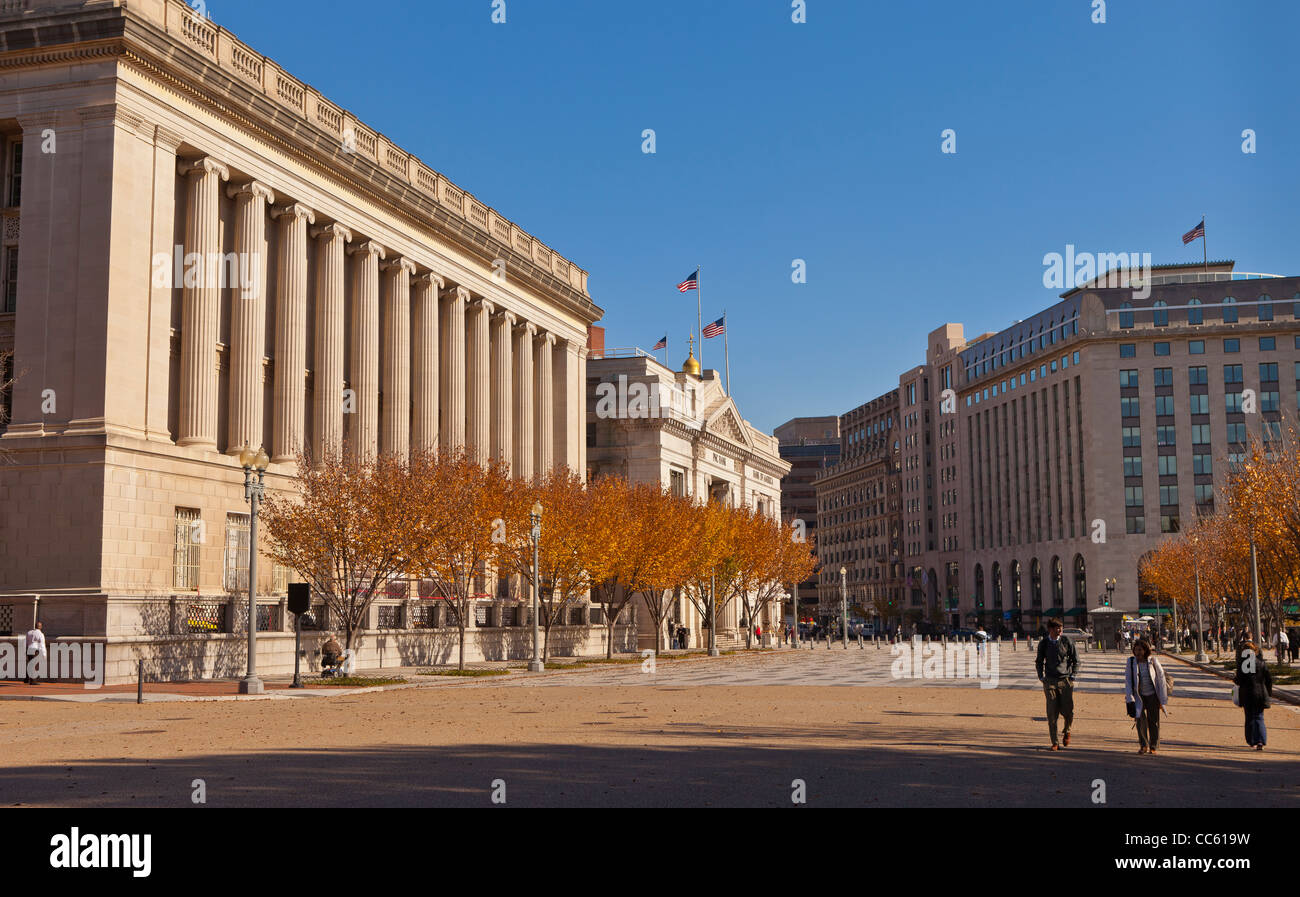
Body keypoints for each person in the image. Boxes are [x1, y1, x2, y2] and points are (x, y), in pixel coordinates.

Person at [1035, 618, 1079, 750]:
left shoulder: (1067, 641)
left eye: (1061, 627)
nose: (1059, 630)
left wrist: (1072, 675)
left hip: (1065, 680)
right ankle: (1054, 742)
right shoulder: (1044, 643)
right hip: (1050, 681)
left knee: (1068, 711)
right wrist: (1041, 676)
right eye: (1056, 628)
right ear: (1050, 629)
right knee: (1052, 713)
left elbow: (1076, 660)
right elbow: (1039, 661)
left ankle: (1067, 730)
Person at [1124, 638, 1168, 754]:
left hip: (1152, 695)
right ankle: (1143, 745)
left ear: (1145, 650)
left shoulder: (1153, 661)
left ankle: (1153, 746)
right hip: (1139, 696)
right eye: (1135, 650)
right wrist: (1129, 698)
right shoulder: (1131, 662)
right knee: (1140, 721)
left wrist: (1162, 698)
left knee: (1153, 721)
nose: (1137, 653)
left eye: (1140, 650)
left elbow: (1161, 678)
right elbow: (1128, 680)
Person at [1234, 641, 1274, 751]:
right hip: (1261, 694)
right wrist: (1268, 693)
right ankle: (1261, 740)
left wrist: (1235, 678)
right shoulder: (1261, 663)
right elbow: (1269, 679)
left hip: (1247, 694)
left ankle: (1252, 741)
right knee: (1259, 717)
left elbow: (1239, 681)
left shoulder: (1242, 665)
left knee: (1249, 718)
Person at [23, 621, 46, 685]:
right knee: (34, 665)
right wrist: (44, 654)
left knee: (29, 664)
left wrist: (25, 650)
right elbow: (42, 645)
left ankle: (26, 679)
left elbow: (26, 642)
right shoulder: (41, 634)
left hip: (29, 649)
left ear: (35, 626)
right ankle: (33, 681)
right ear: (40, 627)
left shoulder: (29, 632)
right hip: (35, 650)